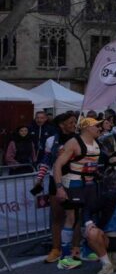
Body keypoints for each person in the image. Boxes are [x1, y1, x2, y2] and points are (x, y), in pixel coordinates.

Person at [52, 117, 104, 270]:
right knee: (71, 217)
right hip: (73, 183)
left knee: (88, 216)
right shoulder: (74, 143)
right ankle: (64, 257)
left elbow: (91, 163)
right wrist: (59, 187)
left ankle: (86, 250)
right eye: (96, 126)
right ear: (87, 128)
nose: (99, 128)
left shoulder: (96, 142)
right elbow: (57, 165)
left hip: (89, 183)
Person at [32, 112, 78, 263]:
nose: (74, 125)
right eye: (71, 122)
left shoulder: (78, 139)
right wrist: (39, 179)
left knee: (75, 216)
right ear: (61, 124)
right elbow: (46, 161)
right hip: (55, 180)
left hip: (74, 180)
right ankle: (56, 249)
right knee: (57, 216)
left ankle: (75, 247)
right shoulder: (51, 140)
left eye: (75, 122)